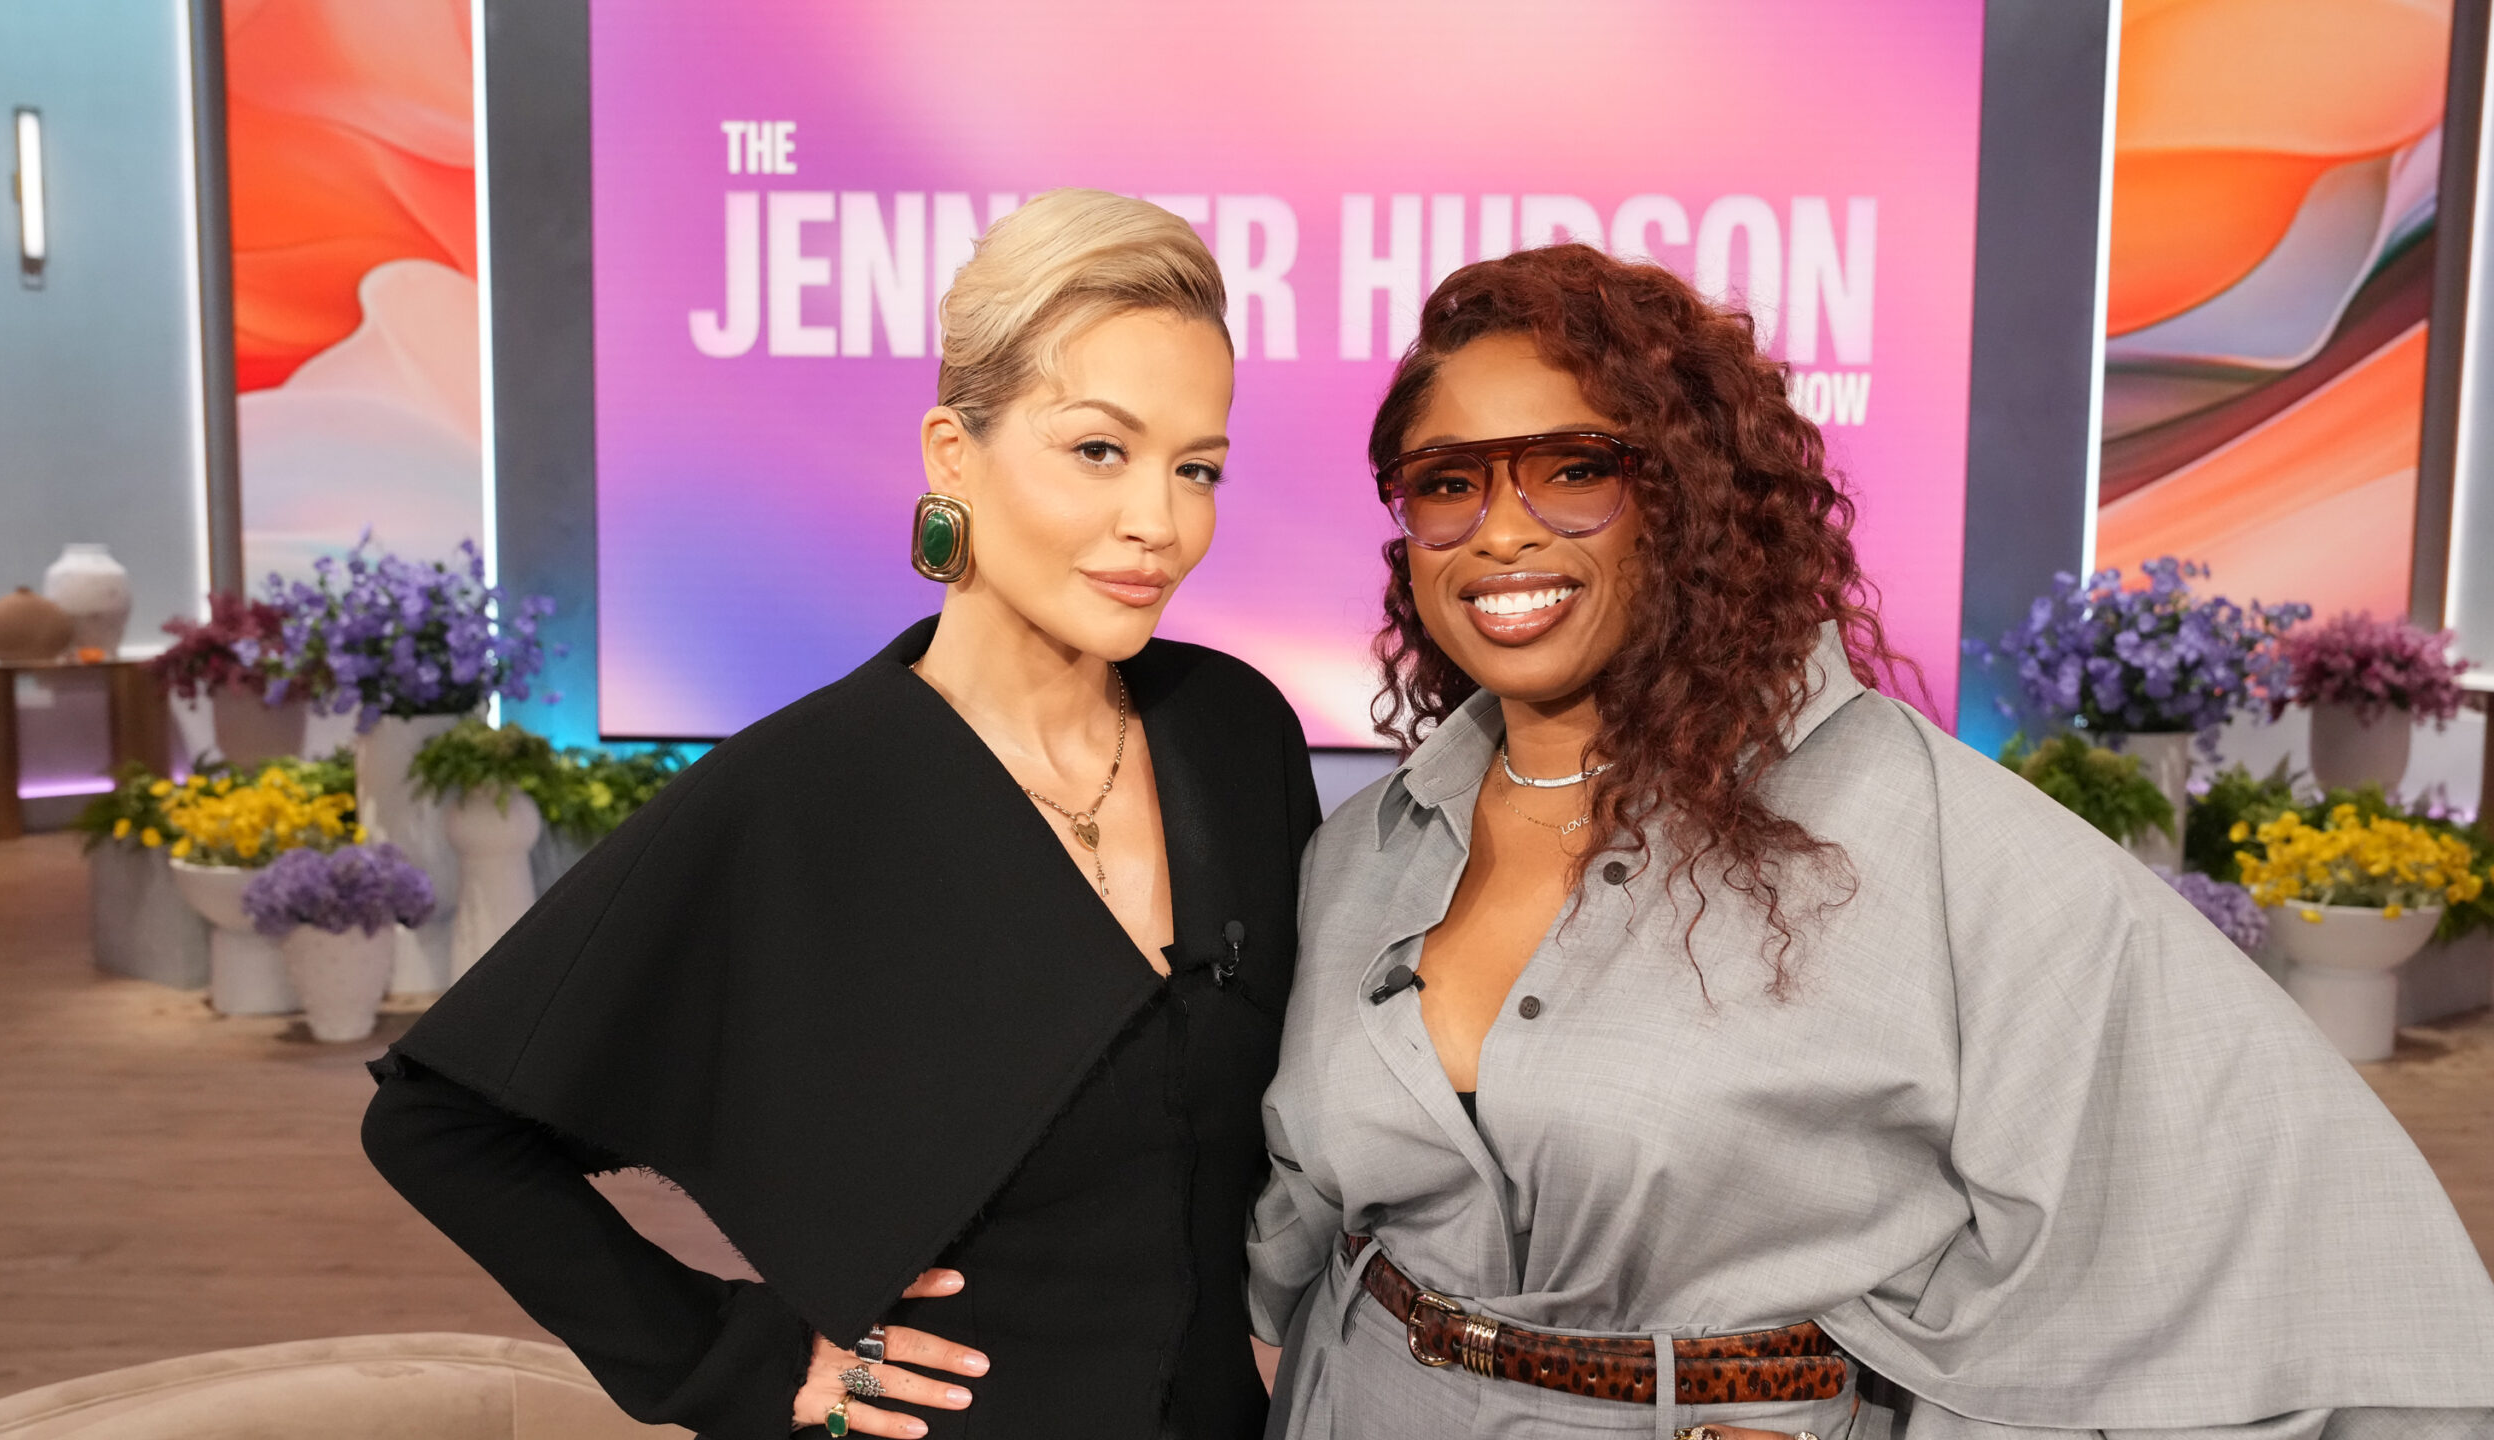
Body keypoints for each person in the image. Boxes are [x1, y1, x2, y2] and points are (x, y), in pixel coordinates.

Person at [1246, 245, 2494, 1440]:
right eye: (1447, 482)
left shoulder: (1927, 836)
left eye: (1574, 469)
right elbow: (1296, 1210)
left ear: (1688, 497)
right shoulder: (1365, 849)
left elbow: (2292, 1234)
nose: (1500, 531)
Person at [362, 189, 1319, 1440]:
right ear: (952, 455)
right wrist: (735, 1359)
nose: (1160, 524)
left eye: (1197, 469)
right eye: (1099, 450)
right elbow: (437, 1125)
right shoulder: (806, 787)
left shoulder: (1233, 730)